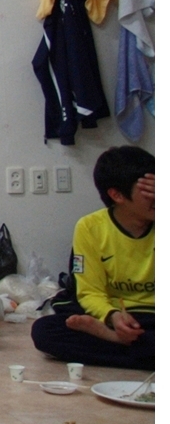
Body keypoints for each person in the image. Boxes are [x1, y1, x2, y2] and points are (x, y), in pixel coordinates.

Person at [31, 145, 154, 370]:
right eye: (148, 190)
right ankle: (140, 349)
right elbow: (90, 292)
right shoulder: (90, 227)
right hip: (117, 316)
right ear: (117, 195)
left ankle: (118, 342)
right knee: (44, 331)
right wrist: (112, 316)